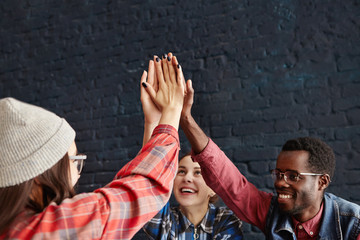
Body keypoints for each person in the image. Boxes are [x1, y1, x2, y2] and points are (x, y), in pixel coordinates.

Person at [0, 54, 185, 239]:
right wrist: (173, 109)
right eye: (74, 161)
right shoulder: (47, 229)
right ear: (40, 171)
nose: (78, 171)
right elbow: (138, 193)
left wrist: (153, 122)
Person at [179, 78, 360, 239]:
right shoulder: (272, 211)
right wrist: (185, 119)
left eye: (292, 176)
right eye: (278, 174)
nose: (280, 183)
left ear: (322, 181)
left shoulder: (353, 224)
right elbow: (231, 183)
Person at [140, 53, 243, 239]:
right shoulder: (166, 221)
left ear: (213, 188)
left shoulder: (225, 221)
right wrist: (152, 120)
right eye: (180, 171)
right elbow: (149, 185)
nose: (187, 178)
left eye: (197, 172)